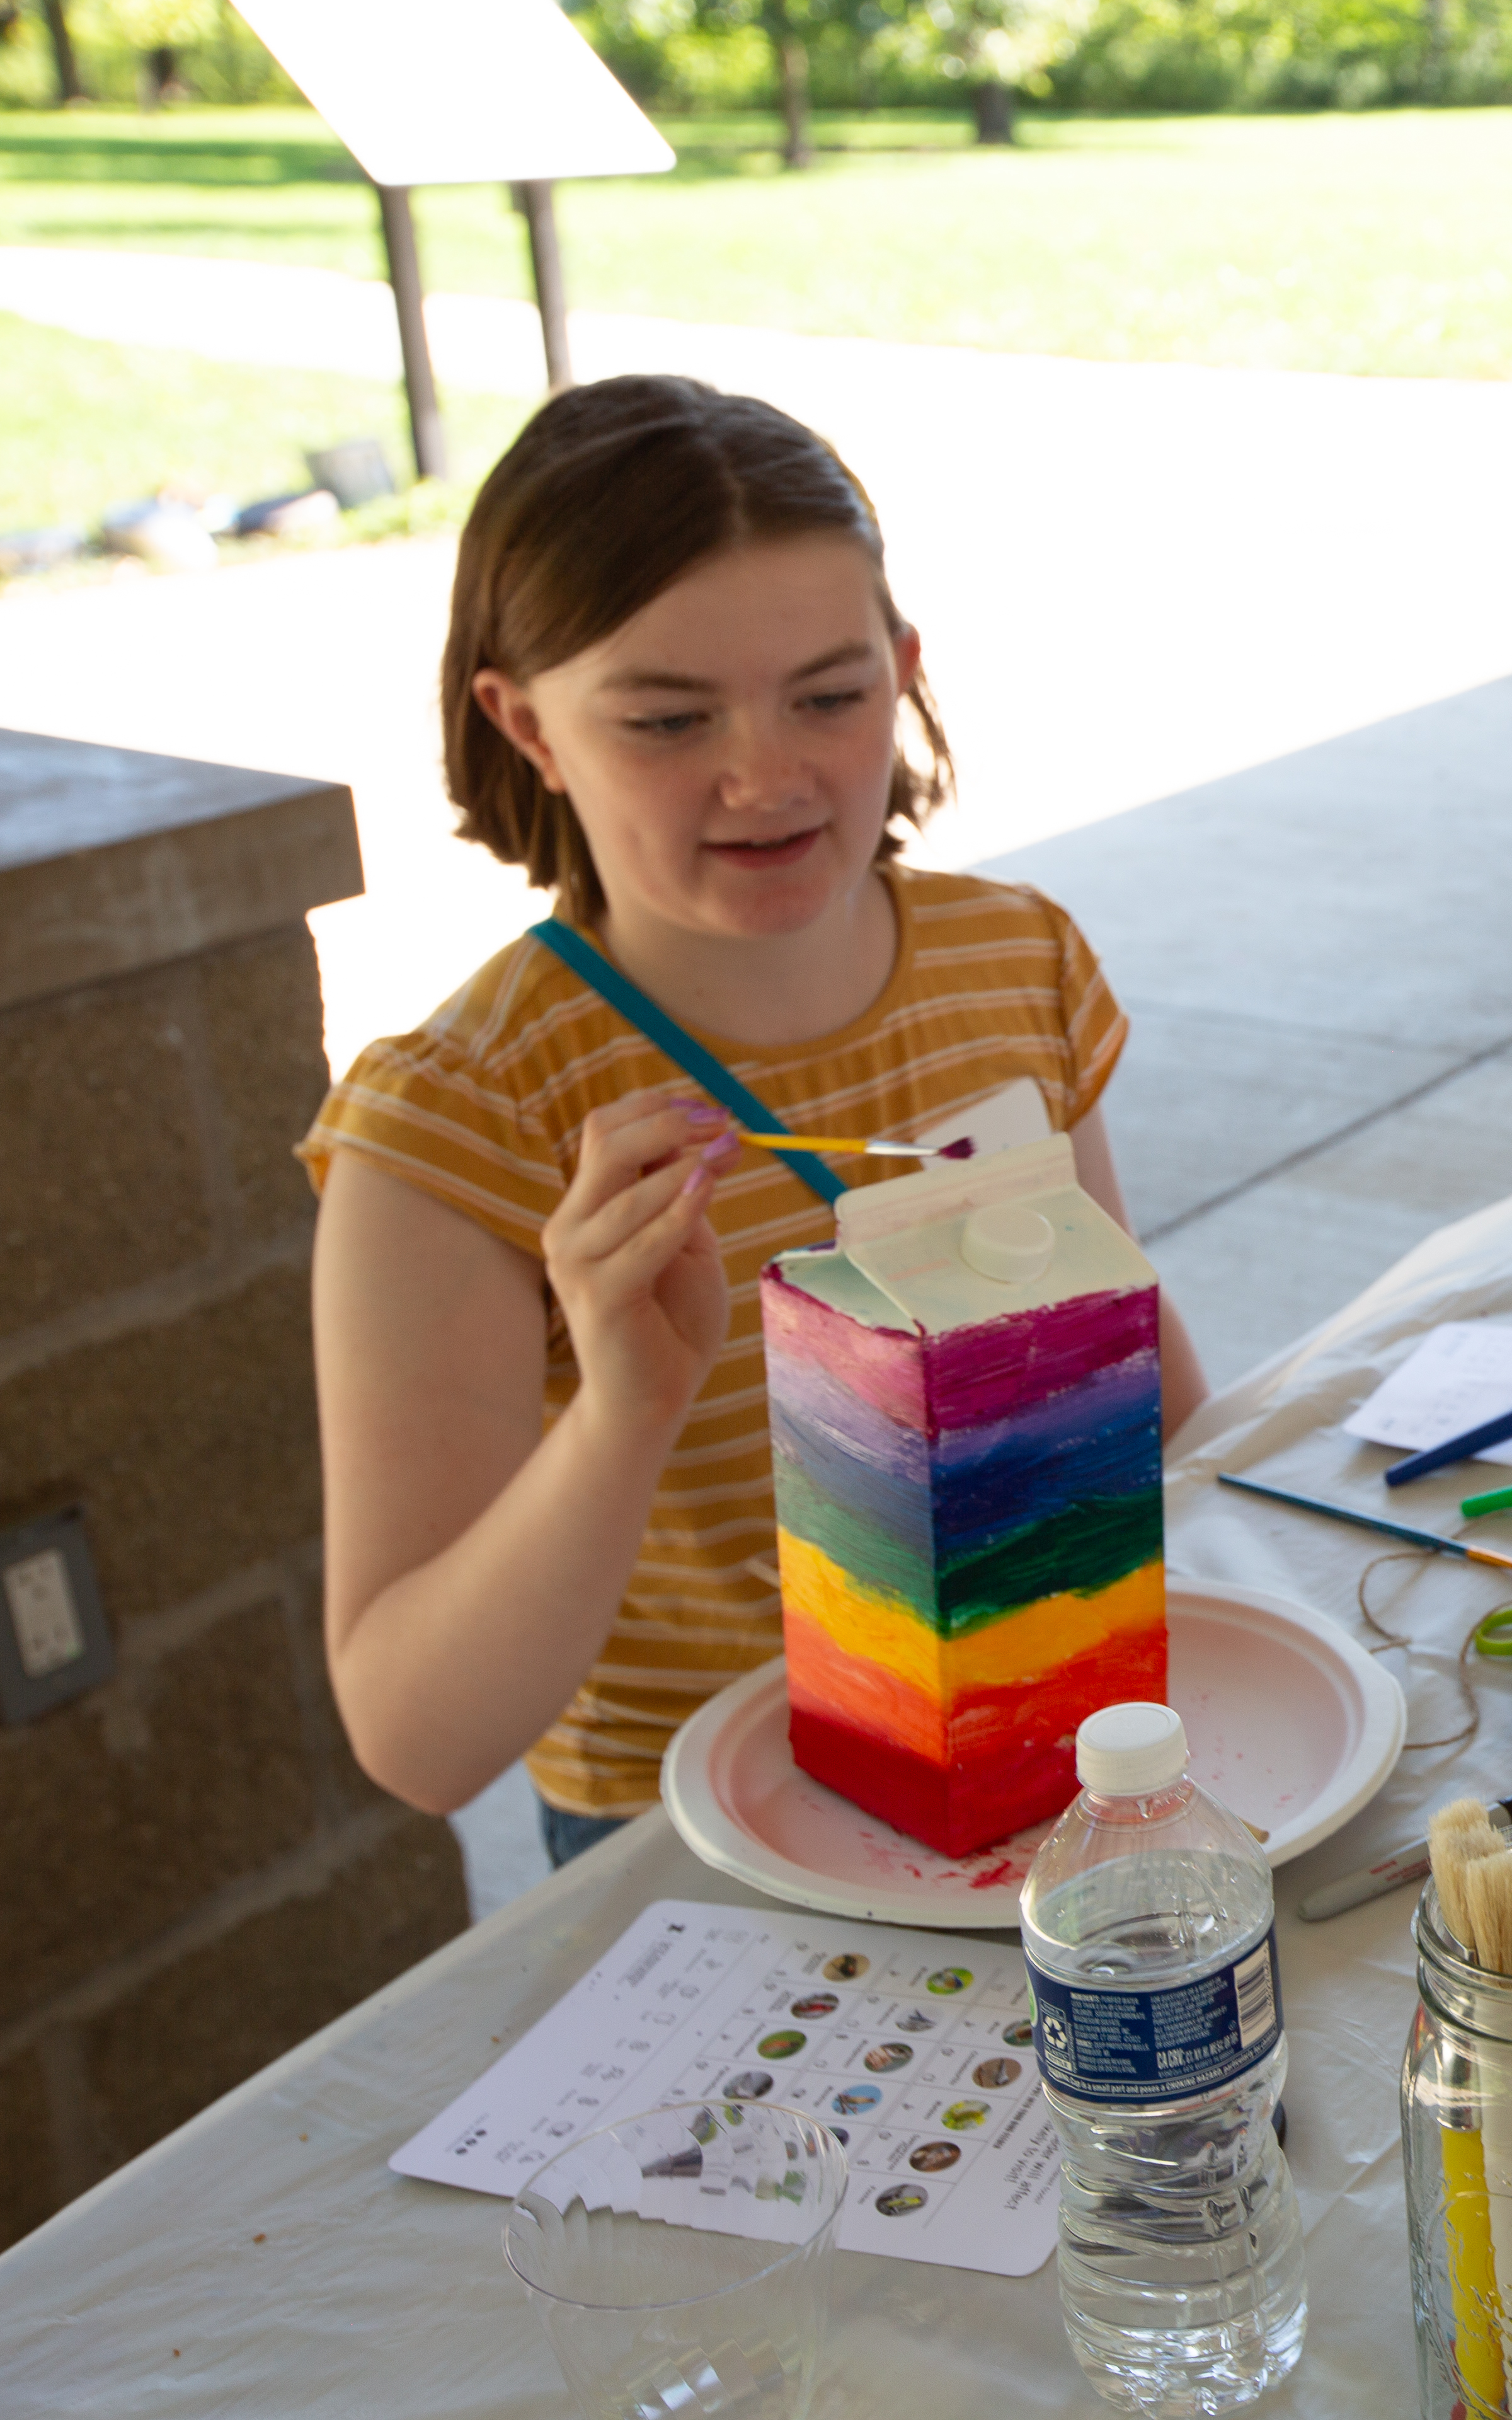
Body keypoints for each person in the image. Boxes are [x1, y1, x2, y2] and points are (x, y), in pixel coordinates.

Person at [304, 376, 1205, 1867]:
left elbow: (1158, 1423)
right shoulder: (459, 1121)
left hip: (1065, 1754)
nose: (764, 775)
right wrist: (623, 1409)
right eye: (666, 718)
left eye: (831, 696)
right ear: (525, 725)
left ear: (905, 669)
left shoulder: (1017, 963)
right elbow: (417, 1739)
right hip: (709, 1847)